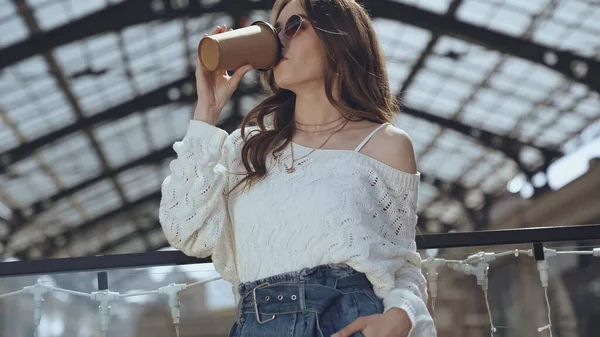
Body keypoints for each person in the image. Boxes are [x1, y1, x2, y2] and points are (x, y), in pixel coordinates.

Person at [159, 0, 436, 336]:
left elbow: (403, 263)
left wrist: (401, 315)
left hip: (352, 322)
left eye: (292, 26)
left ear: (339, 36)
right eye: (274, 31)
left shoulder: (387, 144)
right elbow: (184, 230)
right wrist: (207, 111)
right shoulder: (246, 147)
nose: (279, 41)